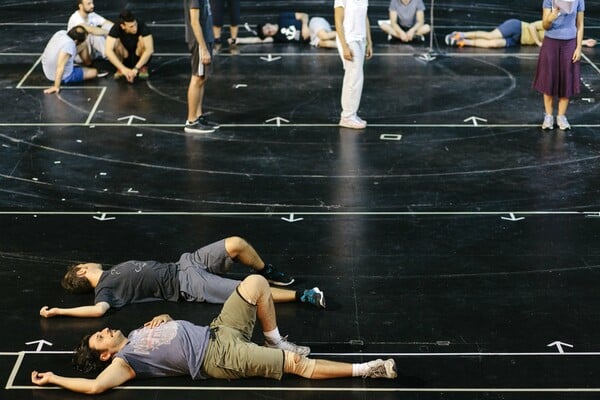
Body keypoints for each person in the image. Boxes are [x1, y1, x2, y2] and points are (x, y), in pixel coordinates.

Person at [31, 274, 397, 394]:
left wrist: (165, 316)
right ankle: (368, 370)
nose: (105, 330)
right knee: (296, 364)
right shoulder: (126, 362)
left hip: (219, 331)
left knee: (254, 283)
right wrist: (52, 378)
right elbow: (95, 387)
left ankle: (274, 337)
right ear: (106, 355)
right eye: (100, 338)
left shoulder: (139, 333)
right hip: (219, 357)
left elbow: (174, 331)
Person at [39, 236, 325, 319]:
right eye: (81, 264)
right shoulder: (105, 291)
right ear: (80, 271)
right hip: (188, 285)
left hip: (186, 263)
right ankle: (303, 296)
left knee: (235, 244)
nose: (86, 262)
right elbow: (98, 310)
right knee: (248, 289)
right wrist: (59, 312)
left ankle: (266, 270)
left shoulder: (112, 271)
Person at [533, 0, 585, 131]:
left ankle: (561, 116)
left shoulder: (579, 0)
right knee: (548, 79)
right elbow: (545, 25)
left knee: (567, 78)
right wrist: (550, 18)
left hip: (569, 43)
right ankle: (548, 116)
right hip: (551, 42)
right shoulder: (549, 0)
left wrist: (578, 47)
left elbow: (580, 24)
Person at [183, 0, 221, 134]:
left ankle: (198, 116)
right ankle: (191, 121)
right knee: (197, 78)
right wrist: (203, 48)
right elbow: (194, 22)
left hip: (206, 38)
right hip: (200, 42)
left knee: (202, 78)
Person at [335, 0, 373, 129]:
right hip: (348, 39)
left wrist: (369, 41)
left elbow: (365, 18)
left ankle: (351, 114)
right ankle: (347, 117)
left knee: (354, 77)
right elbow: (338, 21)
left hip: (360, 39)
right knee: (354, 76)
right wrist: (345, 46)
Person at [445, 18, 597, 49]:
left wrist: (584, 42)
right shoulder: (549, 25)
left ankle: (462, 42)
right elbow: (531, 26)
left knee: (494, 44)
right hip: (518, 27)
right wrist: (538, 42)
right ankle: (460, 33)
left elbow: (568, 42)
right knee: (491, 35)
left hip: (519, 41)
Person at [41, 26, 107, 94]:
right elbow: (60, 66)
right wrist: (56, 86)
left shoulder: (61, 33)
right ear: (75, 41)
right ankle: (85, 68)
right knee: (94, 72)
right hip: (57, 76)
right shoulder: (69, 45)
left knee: (84, 45)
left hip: (47, 67)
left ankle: (89, 64)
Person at [105, 10, 154, 82]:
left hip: (139, 56)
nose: (135, 28)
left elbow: (150, 50)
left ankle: (142, 67)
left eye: (135, 25)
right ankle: (120, 68)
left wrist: (135, 69)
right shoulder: (116, 28)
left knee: (142, 40)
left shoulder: (141, 25)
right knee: (116, 42)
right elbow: (108, 51)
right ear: (123, 26)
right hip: (125, 56)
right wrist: (122, 68)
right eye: (131, 26)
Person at [67, 0, 113, 65]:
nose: (92, 5)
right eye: (89, 4)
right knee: (94, 36)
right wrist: (111, 33)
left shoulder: (92, 15)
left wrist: (118, 30)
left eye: (92, 3)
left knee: (107, 26)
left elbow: (106, 23)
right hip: (80, 55)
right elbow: (91, 30)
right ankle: (111, 56)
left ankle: (116, 51)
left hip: (92, 51)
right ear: (80, 6)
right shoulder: (75, 18)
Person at [238, 12, 310, 44]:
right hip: (312, 40)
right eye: (269, 32)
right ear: (269, 36)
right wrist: (238, 40)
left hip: (312, 25)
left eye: (268, 27)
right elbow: (255, 40)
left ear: (268, 23)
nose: (271, 30)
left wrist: (305, 27)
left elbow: (304, 15)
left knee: (321, 34)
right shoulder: (277, 38)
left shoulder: (282, 17)